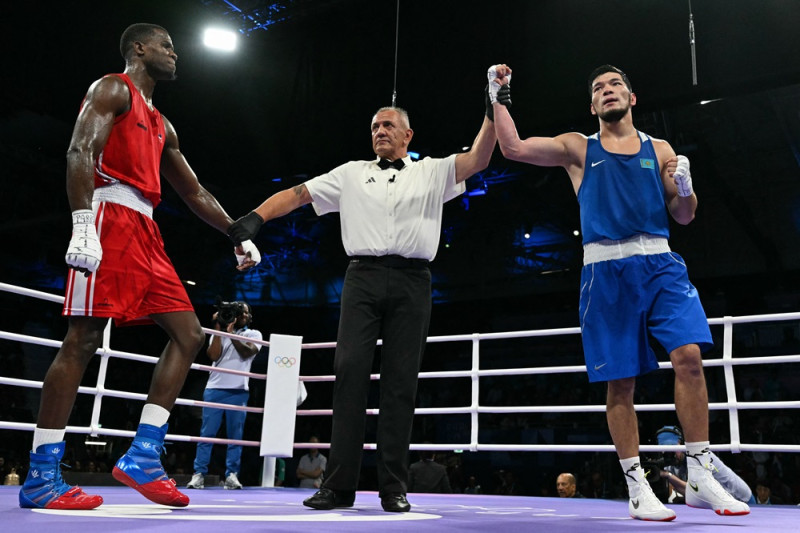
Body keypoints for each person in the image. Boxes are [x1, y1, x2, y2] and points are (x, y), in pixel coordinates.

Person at [489, 63, 750, 521]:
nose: (607, 90)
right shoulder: (578, 147)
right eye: (598, 88)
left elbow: (684, 215)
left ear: (632, 97)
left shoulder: (660, 147)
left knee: (689, 357)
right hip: (606, 270)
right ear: (593, 106)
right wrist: (498, 93)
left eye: (615, 84)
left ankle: (700, 472)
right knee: (621, 382)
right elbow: (512, 147)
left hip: (661, 262)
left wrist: (685, 186)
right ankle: (636, 486)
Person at [18, 23, 260, 510]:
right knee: (83, 339)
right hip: (106, 214)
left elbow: (193, 191)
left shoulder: (163, 124)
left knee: (190, 335)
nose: (175, 54)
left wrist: (237, 231)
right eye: (167, 46)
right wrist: (82, 223)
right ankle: (42, 474)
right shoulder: (111, 88)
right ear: (140, 48)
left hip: (147, 230)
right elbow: (79, 150)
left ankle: (144, 455)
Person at [227, 104, 496, 512]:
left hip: (413, 278)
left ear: (408, 135)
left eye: (388, 125)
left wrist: (495, 104)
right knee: (349, 373)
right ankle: (337, 487)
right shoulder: (351, 173)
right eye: (374, 126)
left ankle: (394, 487)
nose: (380, 131)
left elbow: (479, 157)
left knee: (400, 383)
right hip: (361, 279)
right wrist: (255, 218)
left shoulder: (433, 171)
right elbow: (299, 195)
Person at [187, 301, 262, 490]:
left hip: (238, 390)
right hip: (214, 388)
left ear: (249, 317)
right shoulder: (220, 332)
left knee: (235, 436)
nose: (240, 316)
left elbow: (247, 353)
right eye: (237, 313)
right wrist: (219, 328)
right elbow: (212, 355)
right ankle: (198, 474)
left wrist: (231, 335)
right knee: (207, 434)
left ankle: (232, 475)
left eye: (243, 313)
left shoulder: (254, 334)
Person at [655, 425, 755, 505]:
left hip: (741, 498)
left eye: (672, 447)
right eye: (664, 449)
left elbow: (699, 490)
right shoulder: (669, 463)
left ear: (681, 443)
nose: (670, 452)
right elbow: (692, 494)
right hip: (719, 502)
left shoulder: (700, 455)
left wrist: (668, 476)